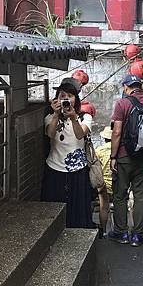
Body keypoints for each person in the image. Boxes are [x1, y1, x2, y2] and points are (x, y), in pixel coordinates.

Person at [108, 74, 143, 247]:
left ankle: (121, 232)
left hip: (124, 156)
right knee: (140, 197)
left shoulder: (122, 104)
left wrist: (113, 156)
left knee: (120, 195)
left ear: (126, 87)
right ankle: (137, 235)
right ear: (140, 86)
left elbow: (116, 132)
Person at [41, 77, 94, 228]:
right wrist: (56, 115)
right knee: (54, 205)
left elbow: (79, 134)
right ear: (56, 99)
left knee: (78, 205)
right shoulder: (50, 117)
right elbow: (50, 134)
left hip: (78, 169)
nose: (66, 99)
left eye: (69, 96)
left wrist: (73, 117)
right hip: (54, 167)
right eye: (62, 96)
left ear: (75, 100)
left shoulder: (85, 117)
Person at [95, 126, 113, 237]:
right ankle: (121, 229)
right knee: (121, 205)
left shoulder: (99, 150)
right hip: (117, 181)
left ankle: (104, 230)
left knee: (104, 207)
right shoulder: (120, 150)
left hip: (103, 183)